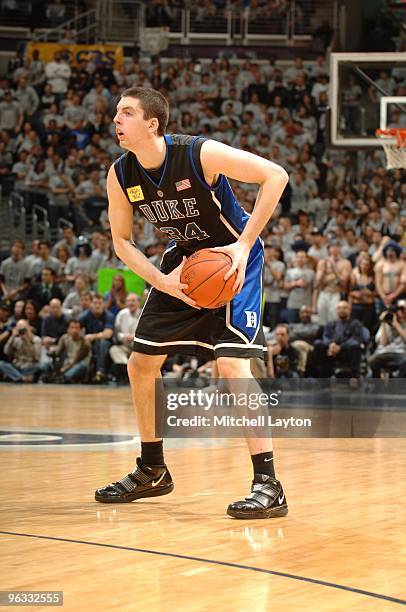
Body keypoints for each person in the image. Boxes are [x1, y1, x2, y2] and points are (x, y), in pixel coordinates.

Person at [95, 87, 289, 519]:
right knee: (140, 363)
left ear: (152, 124)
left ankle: (269, 484)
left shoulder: (199, 154)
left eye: (126, 113)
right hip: (184, 265)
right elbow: (122, 243)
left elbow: (276, 175)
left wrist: (242, 247)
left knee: (232, 365)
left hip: (232, 260)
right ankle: (152, 470)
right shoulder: (120, 173)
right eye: (115, 114)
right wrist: (161, 280)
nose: (116, 120)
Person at [310, 301, 365, 378]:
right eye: (339, 308)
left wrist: (341, 347)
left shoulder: (356, 324)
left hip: (346, 351)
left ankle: (354, 378)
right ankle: (320, 377)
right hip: (330, 351)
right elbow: (325, 337)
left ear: (349, 310)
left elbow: (356, 339)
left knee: (355, 345)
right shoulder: (330, 324)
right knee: (318, 343)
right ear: (336, 310)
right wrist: (331, 345)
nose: (342, 310)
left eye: (345, 308)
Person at [79, 293, 114, 383]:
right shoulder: (85, 315)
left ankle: (100, 371)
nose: (97, 305)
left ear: (103, 304)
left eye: (99, 303)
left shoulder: (109, 316)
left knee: (101, 342)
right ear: (91, 304)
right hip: (89, 343)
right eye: (95, 303)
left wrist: (93, 336)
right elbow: (75, 329)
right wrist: (83, 338)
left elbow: (108, 334)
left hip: (107, 344)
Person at [368, 301, 406, 378]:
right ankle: (378, 385)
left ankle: (397, 385)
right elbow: (383, 343)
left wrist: (396, 325)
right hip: (384, 352)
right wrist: (383, 323)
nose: (400, 312)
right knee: (372, 361)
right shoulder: (386, 324)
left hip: (401, 353)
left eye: (403, 309)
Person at [109, 293, 141, 367]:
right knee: (113, 350)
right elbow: (117, 332)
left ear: (138, 303)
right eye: (128, 301)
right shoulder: (121, 314)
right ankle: (127, 368)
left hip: (140, 348)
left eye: (133, 301)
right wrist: (123, 337)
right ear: (126, 303)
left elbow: (148, 333)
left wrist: (134, 337)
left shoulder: (144, 315)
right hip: (125, 346)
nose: (131, 303)